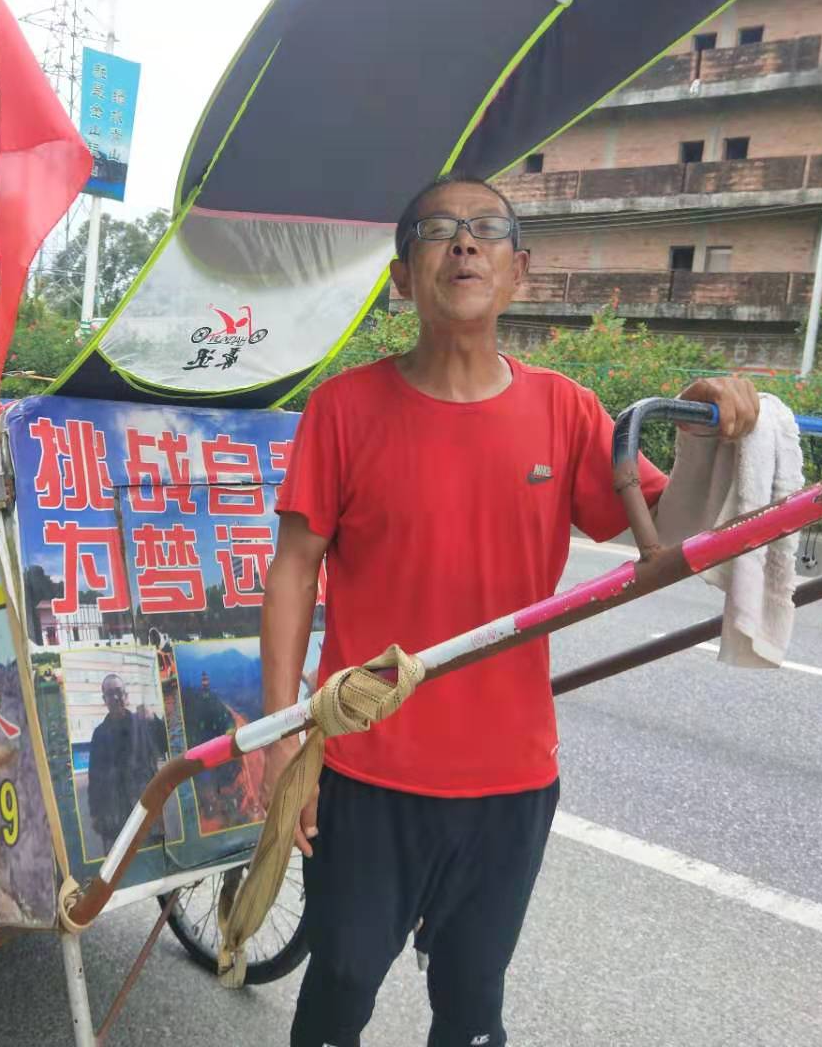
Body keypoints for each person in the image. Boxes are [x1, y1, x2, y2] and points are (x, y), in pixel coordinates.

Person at [261, 175, 758, 1047]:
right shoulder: (343, 409)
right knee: (339, 984)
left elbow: (668, 543)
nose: (464, 243)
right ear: (401, 277)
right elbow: (294, 570)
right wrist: (282, 737)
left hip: (510, 780)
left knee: (471, 1002)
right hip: (367, 771)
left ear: (518, 270)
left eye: (486, 228)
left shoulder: (565, 410)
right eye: (437, 230)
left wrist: (699, 440)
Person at [86, 674, 167, 854]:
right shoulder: (99, 734)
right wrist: (95, 812)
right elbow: (94, 776)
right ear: (104, 700)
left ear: (126, 695)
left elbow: (165, 745)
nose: (115, 697)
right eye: (110, 694)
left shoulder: (143, 724)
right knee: (119, 865)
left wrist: (154, 719)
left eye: (119, 692)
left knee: (152, 859)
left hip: (145, 811)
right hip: (114, 818)